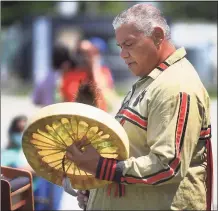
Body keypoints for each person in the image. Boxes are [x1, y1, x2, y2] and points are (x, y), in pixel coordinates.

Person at [63, 3, 213, 210]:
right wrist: (96, 190)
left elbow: (167, 165)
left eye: (129, 44)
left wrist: (100, 168)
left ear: (158, 36)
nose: (123, 54)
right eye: (120, 47)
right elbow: (132, 151)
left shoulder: (176, 86)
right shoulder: (152, 80)